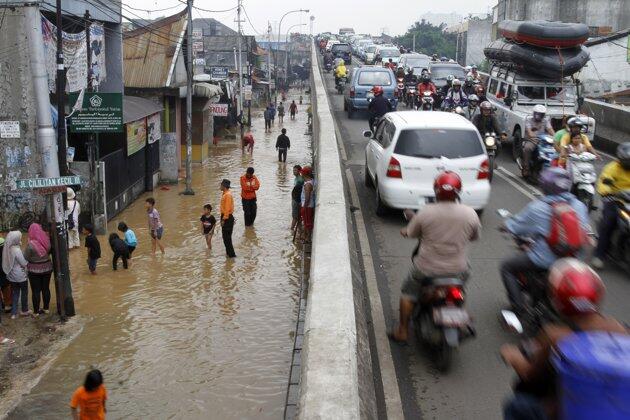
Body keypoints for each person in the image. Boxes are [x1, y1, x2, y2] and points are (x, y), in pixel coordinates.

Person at [501, 259, 627, 420]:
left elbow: (529, 374)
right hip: (616, 410)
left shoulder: (555, 336)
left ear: (558, 301)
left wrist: (511, 355)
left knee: (515, 406)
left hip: (565, 412)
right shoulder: (623, 331)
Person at [389, 172, 481, 343]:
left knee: (408, 294)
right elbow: (474, 237)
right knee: (462, 283)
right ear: (458, 191)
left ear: (436, 190)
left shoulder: (426, 213)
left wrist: (406, 231)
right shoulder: (470, 214)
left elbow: (411, 232)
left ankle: (402, 331)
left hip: (426, 270)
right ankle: (459, 309)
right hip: (458, 270)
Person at [500, 168, 590, 315]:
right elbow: (585, 229)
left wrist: (505, 227)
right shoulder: (579, 205)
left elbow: (515, 227)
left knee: (507, 267)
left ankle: (518, 308)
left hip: (544, 260)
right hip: (574, 260)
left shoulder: (538, 208)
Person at [591, 142, 630, 269]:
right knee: (608, 223)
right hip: (615, 200)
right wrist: (607, 192)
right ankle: (599, 255)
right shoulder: (612, 167)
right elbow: (604, 182)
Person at [24, 223, 52, 315]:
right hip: (47, 268)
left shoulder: (30, 244)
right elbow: (50, 251)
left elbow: (26, 257)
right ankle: (46, 309)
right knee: (46, 289)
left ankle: (36, 312)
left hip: (34, 271)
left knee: (35, 291)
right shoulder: (46, 240)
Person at [2, 231, 30, 319]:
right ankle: (24, 310)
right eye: (19, 238)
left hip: (12, 276)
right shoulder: (17, 250)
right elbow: (23, 263)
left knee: (15, 294)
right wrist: (27, 262)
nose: (20, 239)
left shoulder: (7, 249)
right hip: (21, 276)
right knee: (24, 293)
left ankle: (13, 313)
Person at [522, 105, 555, 177]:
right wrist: (533, 135)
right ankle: (526, 168)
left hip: (543, 141)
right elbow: (529, 132)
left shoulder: (546, 121)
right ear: (534, 113)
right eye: (537, 113)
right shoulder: (529, 120)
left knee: (552, 151)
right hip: (532, 140)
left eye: (541, 114)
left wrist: (555, 137)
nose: (539, 116)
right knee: (527, 148)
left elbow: (550, 130)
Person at [220, 179, 236, 258]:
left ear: (224, 186)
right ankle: (228, 254)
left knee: (226, 238)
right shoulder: (225, 194)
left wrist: (224, 219)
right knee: (226, 237)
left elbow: (227, 208)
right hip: (227, 217)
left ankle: (232, 255)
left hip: (227, 217)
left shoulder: (228, 195)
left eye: (221, 185)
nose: (220, 186)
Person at [300, 166, 316, 243]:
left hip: (307, 206)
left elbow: (307, 198)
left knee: (307, 223)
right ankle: (306, 236)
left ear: (305, 174)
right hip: (309, 206)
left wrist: (304, 207)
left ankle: (308, 238)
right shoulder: (311, 181)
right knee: (307, 222)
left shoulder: (307, 185)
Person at [0, 236, 11, 315]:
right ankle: (7, 305)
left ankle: (3, 303)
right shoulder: (3, 241)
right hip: (3, 269)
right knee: (6, 287)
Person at [291, 165, 304, 231]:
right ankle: (300, 230)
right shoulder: (297, 178)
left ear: (299, 171)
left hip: (296, 200)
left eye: (295, 170)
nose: (294, 172)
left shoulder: (300, 180)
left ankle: (291, 229)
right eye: (293, 170)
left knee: (295, 216)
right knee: (298, 217)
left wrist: (299, 202)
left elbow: (299, 192)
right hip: (295, 199)